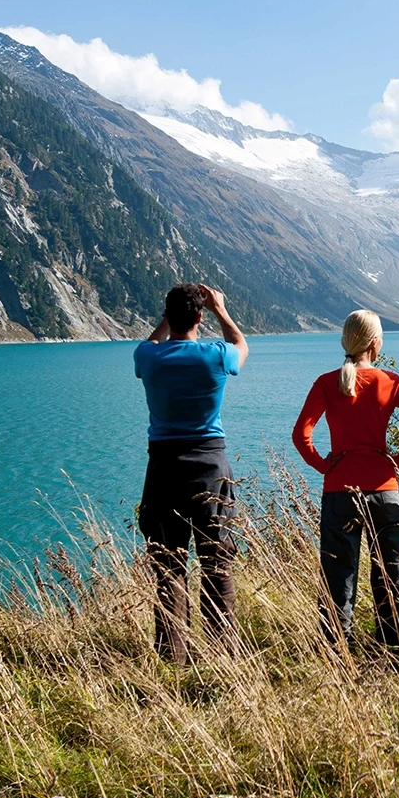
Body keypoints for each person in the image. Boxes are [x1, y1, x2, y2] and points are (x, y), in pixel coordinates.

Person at [292, 310, 399, 650]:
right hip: (385, 493)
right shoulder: (391, 382)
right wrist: (398, 461)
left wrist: (325, 467)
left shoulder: (327, 383)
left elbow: (301, 435)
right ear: (375, 343)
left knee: (338, 576)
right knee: (391, 575)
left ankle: (336, 653)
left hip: (340, 492)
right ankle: (393, 652)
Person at [134, 282, 249, 663]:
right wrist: (221, 309)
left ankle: (173, 657)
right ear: (200, 317)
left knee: (168, 565)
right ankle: (222, 655)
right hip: (209, 466)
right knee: (216, 562)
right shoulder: (215, 356)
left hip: (164, 467)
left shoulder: (148, 358)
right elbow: (242, 346)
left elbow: (150, 345)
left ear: (168, 316)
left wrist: (167, 320)